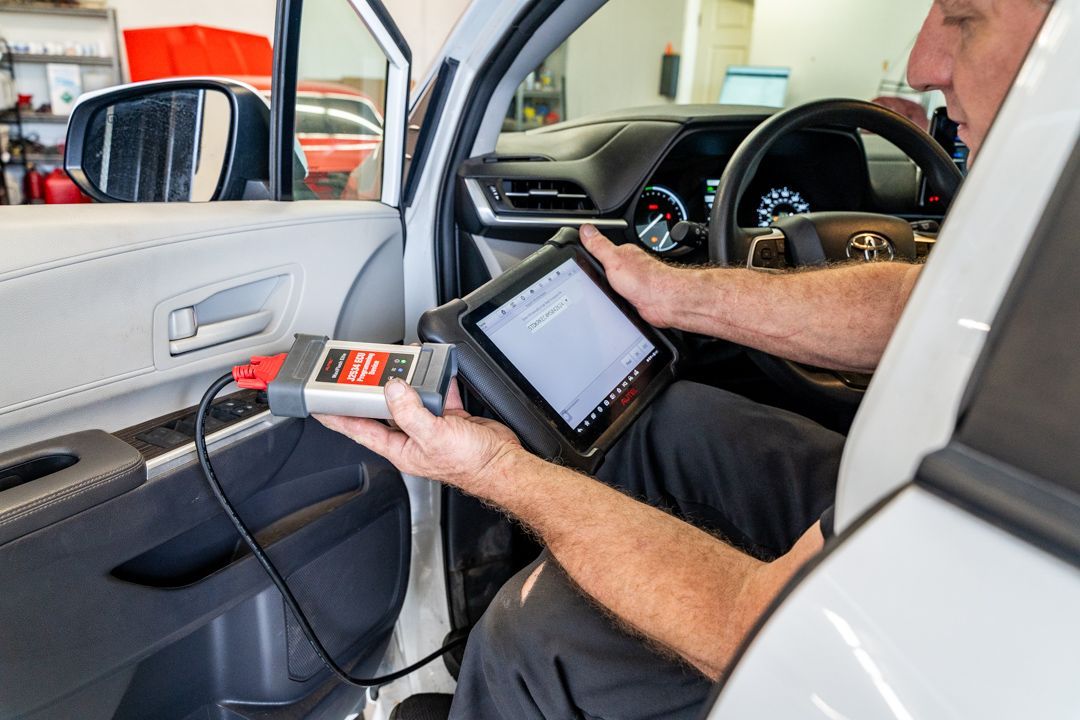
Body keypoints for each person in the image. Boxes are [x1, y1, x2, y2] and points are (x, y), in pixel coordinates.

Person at [317, 1, 1053, 717]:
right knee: (672, 421)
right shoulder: (1059, 225)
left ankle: (508, 686)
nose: (924, 65)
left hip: (970, 640)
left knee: (532, 631)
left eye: (964, 17)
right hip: (981, 553)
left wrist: (498, 472)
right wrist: (679, 297)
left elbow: (750, 626)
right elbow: (917, 306)